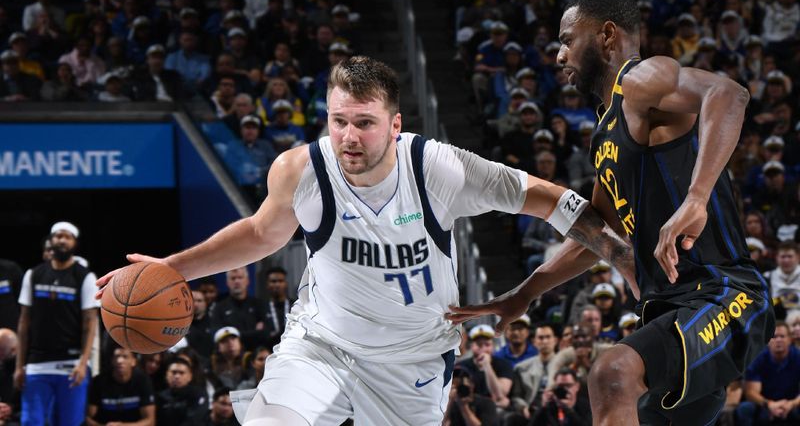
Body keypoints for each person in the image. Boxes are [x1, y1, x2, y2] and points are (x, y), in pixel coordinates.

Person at [97, 56, 634, 426]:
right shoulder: (301, 170)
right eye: (339, 121)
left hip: (415, 357)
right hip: (321, 344)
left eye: (365, 123)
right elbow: (262, 233)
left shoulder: (438, 168)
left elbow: (549, 199)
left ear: (395, 125)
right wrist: (172, 267)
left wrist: (620, 258)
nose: (349, 136)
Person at [447, 0, 775, 425]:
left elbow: (728, 94)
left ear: (605, 34)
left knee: (612, 372)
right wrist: (523, 294)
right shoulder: (604, 135)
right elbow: (598, 234)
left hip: (725, 295)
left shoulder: (641, 80)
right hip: (670, 309)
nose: (559, 55)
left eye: (567, 40)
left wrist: (696, 198)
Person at [15, 222, 99, 426]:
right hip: (36, 363)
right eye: (58, 236)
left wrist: (83, 362)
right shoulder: (33, 274)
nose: (62, 239)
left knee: (69, 422)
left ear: (75, 243)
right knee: (30, 421)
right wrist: (19, 366)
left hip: (71, 365)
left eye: (67, 236)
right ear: (50, 241)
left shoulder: (85, 276)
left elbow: (90, 323)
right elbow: (24, 322)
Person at [736, 322, 800, 425]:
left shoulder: (798, 356)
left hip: (791, 405)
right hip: (765, 404)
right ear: (768, 341)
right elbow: (751, 392)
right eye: (774, 337)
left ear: (790, 339)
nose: (778, 340)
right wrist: (770, 404)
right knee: (745, 408)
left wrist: (791, 404)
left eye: (782, 336)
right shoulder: (757, 359)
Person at [85, 345, 155, 426]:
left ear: (133, 362)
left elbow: (150, 421)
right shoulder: (98, 381)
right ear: (112, 361)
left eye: (125, 357)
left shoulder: (143, 380)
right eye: (117, 357)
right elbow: (88, 419)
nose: (120, 360)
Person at [155, 356, 208, 426]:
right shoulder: (159, 397)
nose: (177, 376)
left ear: (190, 376)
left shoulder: (199, 394)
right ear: (166, 375)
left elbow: (195, 419)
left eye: (181, 373)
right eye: (174, 372)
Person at [262, 267, 292, 343]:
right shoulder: (261, 308)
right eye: (273, 281)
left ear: (286, 284)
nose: (277, 284)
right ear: (267, 284)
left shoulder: (295, 305)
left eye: (280, 281)